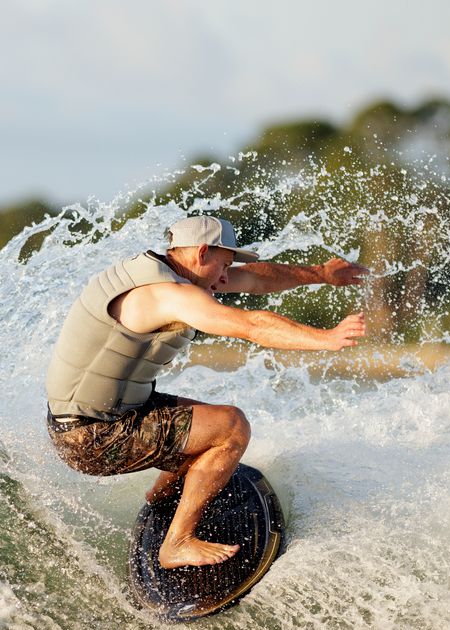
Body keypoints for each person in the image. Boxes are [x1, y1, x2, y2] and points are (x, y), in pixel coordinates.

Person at [45, 215, 368, 569]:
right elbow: (250, 325)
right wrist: (326, 338)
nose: (227, 278)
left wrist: (321, 273)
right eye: (224, 265)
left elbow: (254, 277)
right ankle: (178, 543)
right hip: (93, 435)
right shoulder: (166, 296)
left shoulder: (161, 272)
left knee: (206, 428)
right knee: (231, 426)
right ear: (201, 253)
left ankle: (163, 495)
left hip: (98, 417)